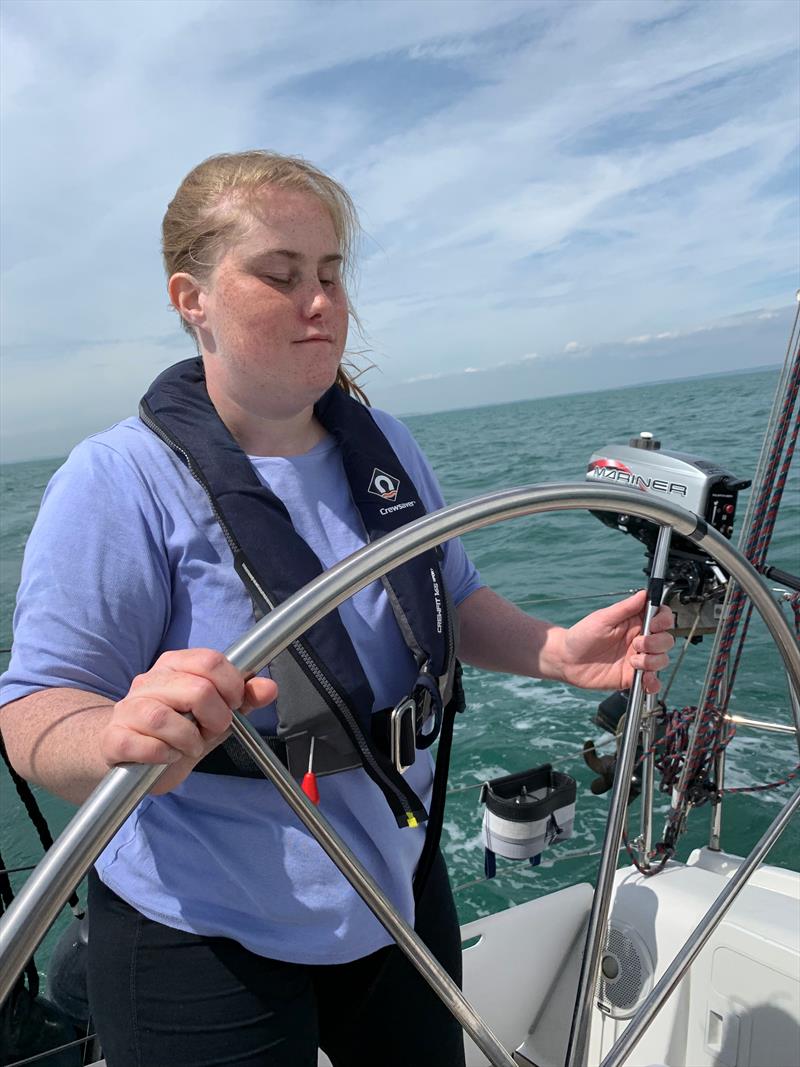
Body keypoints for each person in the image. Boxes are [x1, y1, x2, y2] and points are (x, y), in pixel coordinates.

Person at [0, 151, 674, 1067]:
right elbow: (36, 711)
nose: (319, 301)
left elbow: (452, 595)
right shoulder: (118, 481)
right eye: (279, 275)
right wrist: (118, 738)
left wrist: (556, 650)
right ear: (190, 297)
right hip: (201, 929)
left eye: (330, 274)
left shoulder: (382, 441)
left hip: (393, 888)